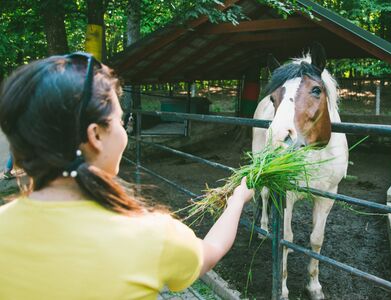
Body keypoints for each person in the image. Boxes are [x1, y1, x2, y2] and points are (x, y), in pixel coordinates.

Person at [0, 53, 254, 299]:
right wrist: (237, 200)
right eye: (120, 122)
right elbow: (211, 251)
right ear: (95, 136)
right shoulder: (151, 233)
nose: (123, 133)